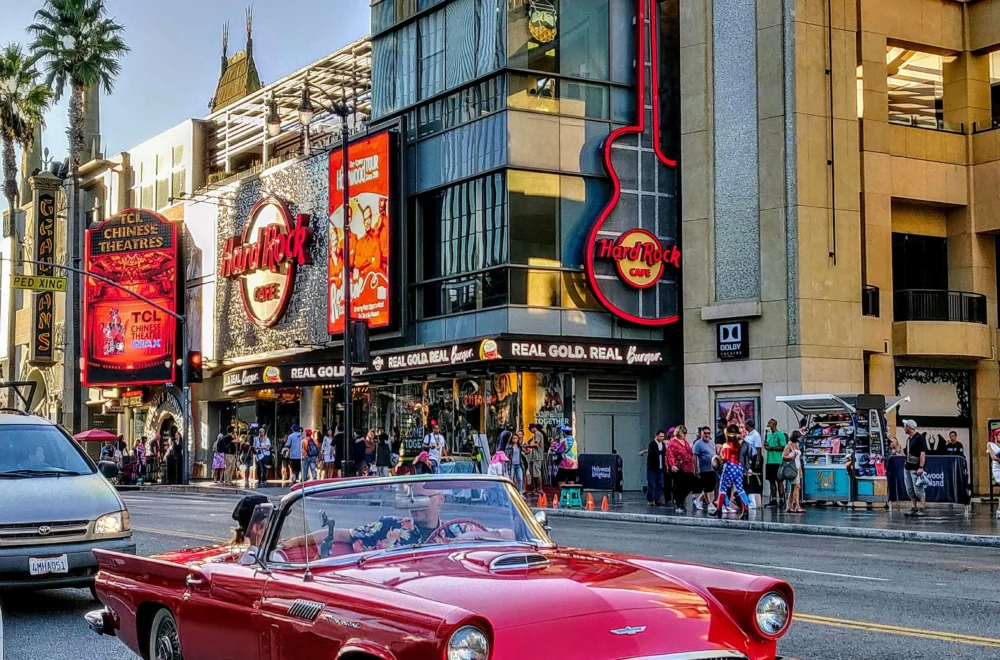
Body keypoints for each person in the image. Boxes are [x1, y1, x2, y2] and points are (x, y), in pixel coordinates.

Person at [711, 425, 750, 519]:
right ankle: (746, 509)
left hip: (729, 466)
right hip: (738, 467)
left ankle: (719, 509)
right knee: (740, 489)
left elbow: (725, 458)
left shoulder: (726, 445)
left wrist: (718, 458)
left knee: (722, 488)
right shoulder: (738, 444)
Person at [666, 426, 696, 513]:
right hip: (678, 467)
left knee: (691, 483)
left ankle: (680, 499)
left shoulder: (685, 441)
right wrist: (673, 465)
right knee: (679, 485)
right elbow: (670, 454)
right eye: (683, 433)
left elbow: (689, 452)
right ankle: (679, 504)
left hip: (688, 466)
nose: (685, 435)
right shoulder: (673, 442)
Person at [901, 419, 927, 516]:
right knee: (910, 488)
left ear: (909, 427)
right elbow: (906, 452)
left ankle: (922, 507)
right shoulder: (909, 439)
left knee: (918, 489)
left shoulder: (919, 438)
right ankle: (914, 507)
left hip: (915, 468)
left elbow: (922, 454)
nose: (904, 428)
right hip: (907, 467)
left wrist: (921, 467)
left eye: (905, 426)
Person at [691, 426, 718, 512]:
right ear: (701, 434)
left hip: (712, 469)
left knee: (711, 487)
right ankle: (709, 503)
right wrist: (695, 469)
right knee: (706, 488)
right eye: (705, 433)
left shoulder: (712, 442)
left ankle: (698, 500)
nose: (707, 435)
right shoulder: (698, 444)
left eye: (708, 433)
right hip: (704, 469)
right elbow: (694, 457)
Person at [763, 419, 787, 508]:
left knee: (779, 481)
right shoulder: (768, 434)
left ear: (775, 424)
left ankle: (781, 498)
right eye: (768, 423)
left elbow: (783, 446)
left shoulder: (780, 434)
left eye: (770, 423)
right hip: (769, 461)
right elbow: (766, 445)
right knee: (771, 481)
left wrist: (772, 448)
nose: (769, 424)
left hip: (778, 461)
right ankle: (773, 499)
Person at [642, 430, 667, 507]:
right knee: (651, 484)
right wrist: (662, 451)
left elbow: (664, 454)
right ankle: (650, 500)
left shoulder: (663, 444)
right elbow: (654, 453)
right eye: (660, 436)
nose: (662, 438)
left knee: (659, 484)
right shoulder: (652, 444)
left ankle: (657, 499)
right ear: (656, 436)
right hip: (652, 467)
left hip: (660, 467)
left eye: (663, 436)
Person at [741, 420, 763, 509]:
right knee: (748, 480)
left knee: (753, 480)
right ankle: (749, 500)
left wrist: (757, 461)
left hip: (754, 459)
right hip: (749, 460)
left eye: (745, 424)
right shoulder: (749, 435)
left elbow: (758, 449)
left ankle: (753, 502)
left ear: (748, 425)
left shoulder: (756, 435)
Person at [782, 431, 804, 513]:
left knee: (793, 488)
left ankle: (789, 506)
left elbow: (798, 459)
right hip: (793, 468)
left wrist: (800, 470)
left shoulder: (796, 446)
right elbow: (783, 456)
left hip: (797, 468)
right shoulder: (789, 446)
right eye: (799, 436)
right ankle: (797, 506)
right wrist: (792, 457)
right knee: (797, 487)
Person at [526, 423, 546, 493]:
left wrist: (528, 446)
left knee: (537, 474)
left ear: (533, 428)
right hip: (534, 457)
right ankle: (536, 488)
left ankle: (540, 488)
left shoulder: (537, 434)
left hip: (537, 457)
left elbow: (536, 445)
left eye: (530, 429)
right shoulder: (535, 435)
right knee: (534, 474)